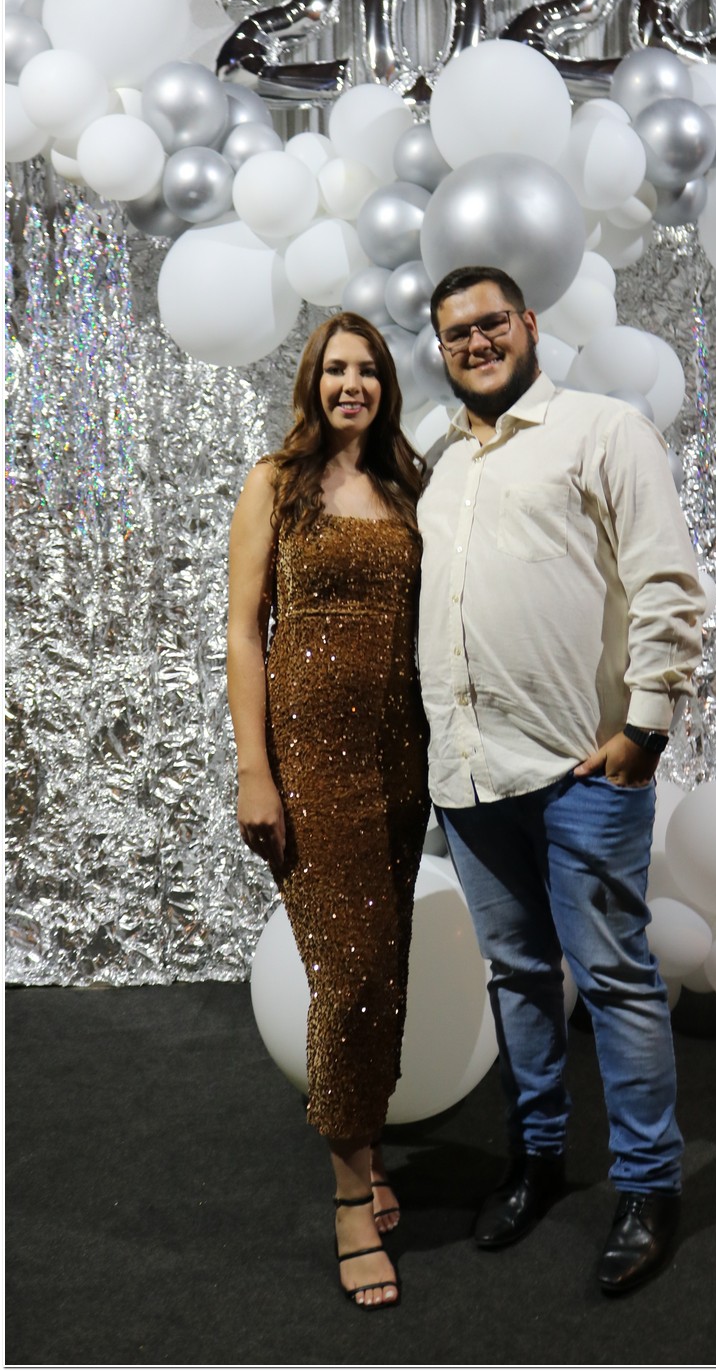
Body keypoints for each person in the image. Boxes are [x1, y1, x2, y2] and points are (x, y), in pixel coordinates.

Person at [416, 265, 706, 1295]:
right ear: (441, 348)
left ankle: (649, 1184)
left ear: (529, 323)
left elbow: (666, 579)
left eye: (491, 321)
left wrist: (646, 727)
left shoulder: (603, 428)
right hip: (469, 776)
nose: (477, 341)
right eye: (457, 332)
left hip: (581, 765)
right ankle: (537, 1159)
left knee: (616, 979)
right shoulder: (441, 460)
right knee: (519, 978)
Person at [227, 313, 429, 1310]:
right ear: (311, 381)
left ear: (386, 384)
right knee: (347, 976)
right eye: (335, 368)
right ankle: (351, 1196)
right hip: (312, 760)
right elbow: (242, 628)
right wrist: (252, 769)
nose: (352, 382)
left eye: (368, 369)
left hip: (404, 755)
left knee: (384, 970)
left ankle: (368, 1147)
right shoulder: (275, 481)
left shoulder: (406, 486)